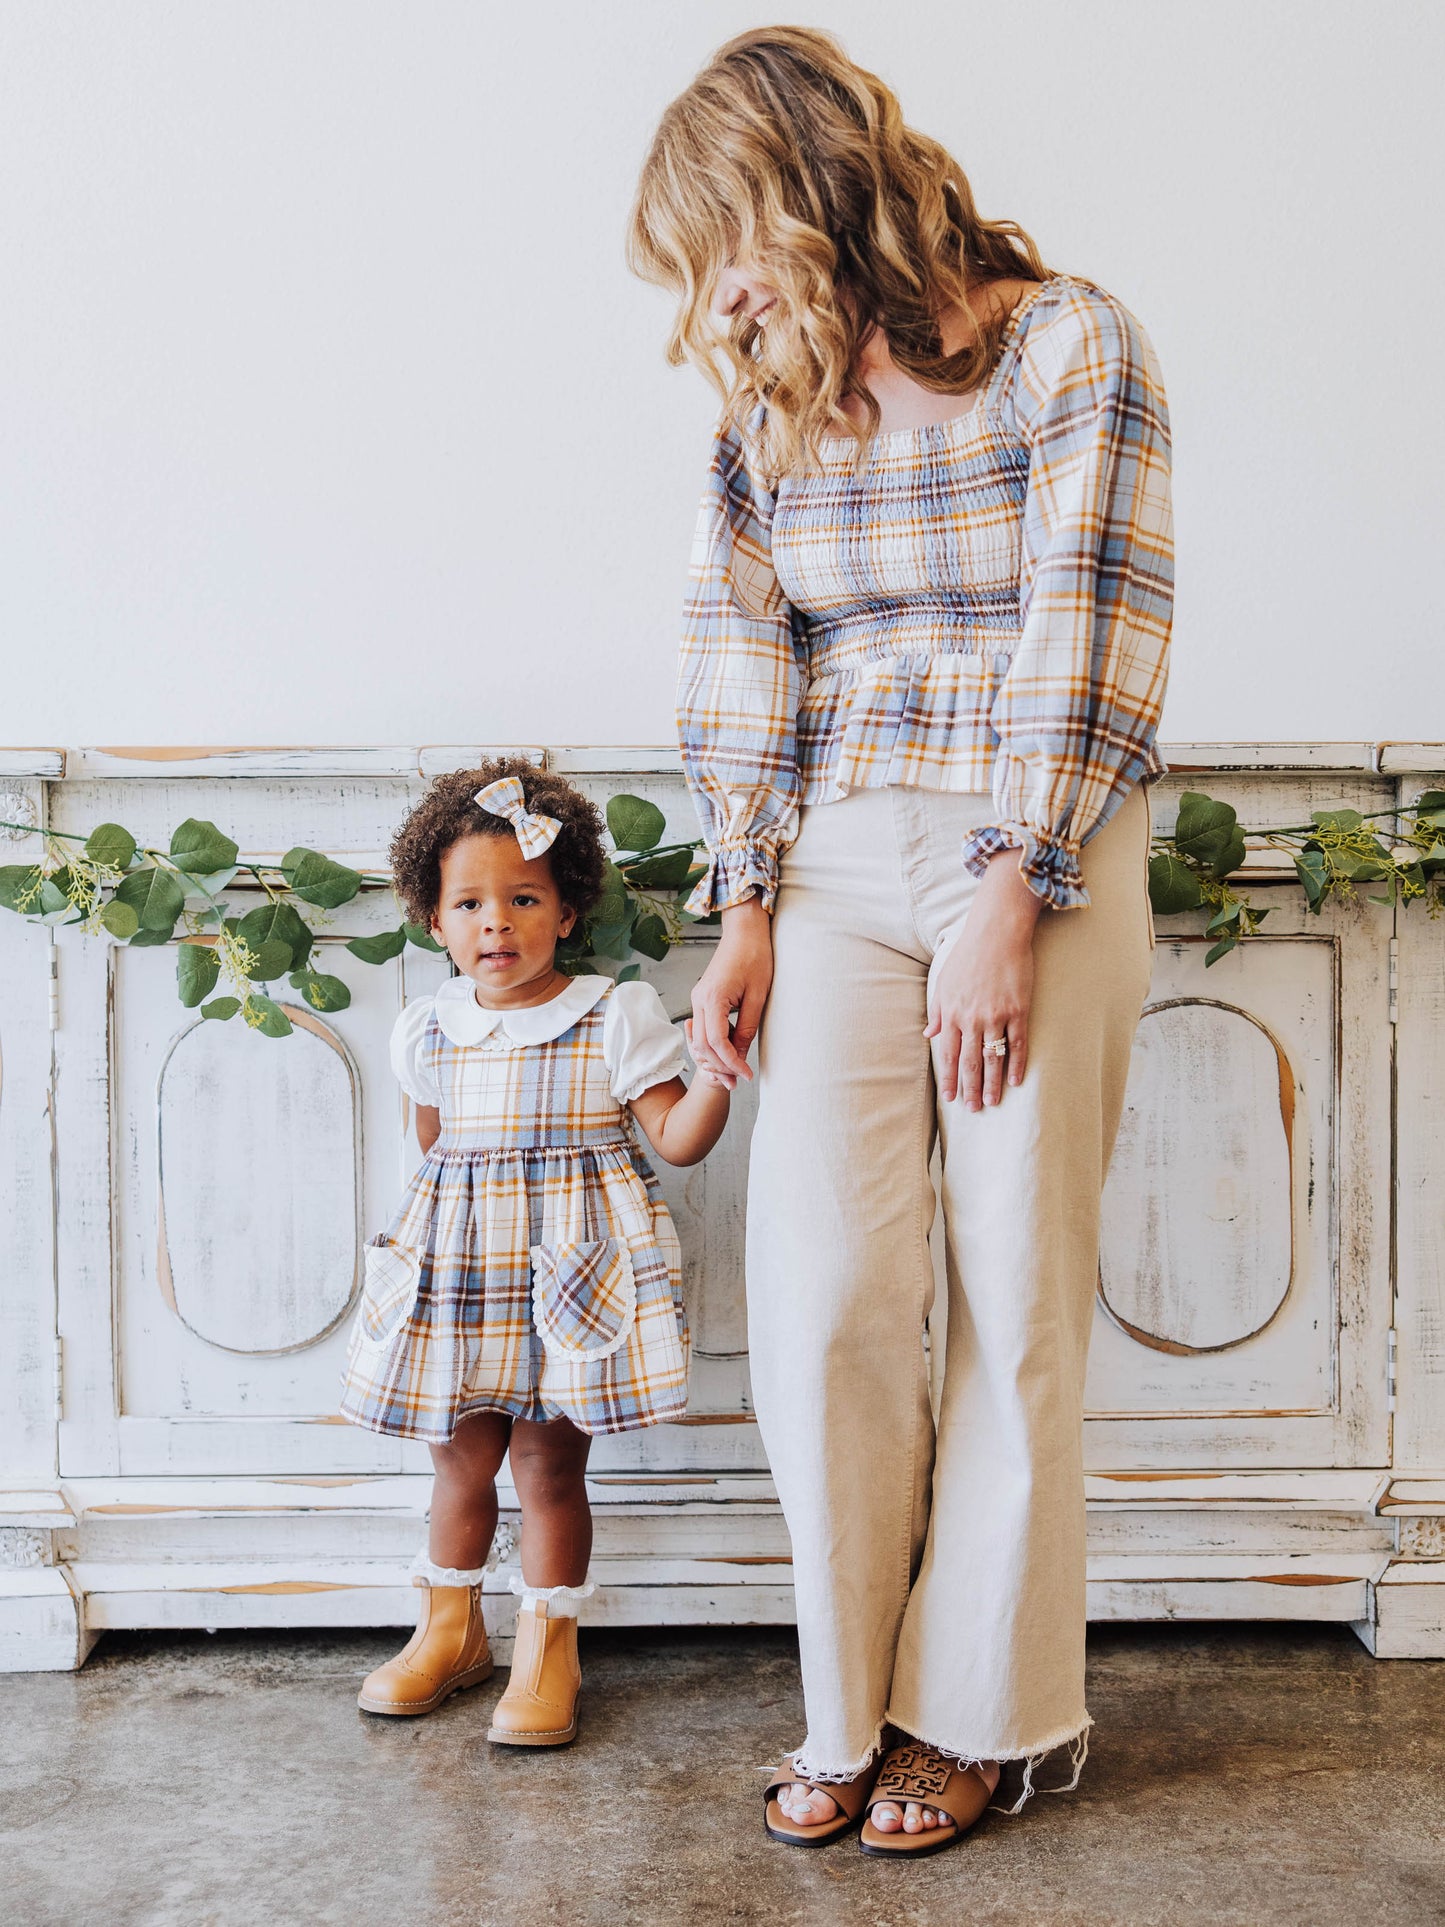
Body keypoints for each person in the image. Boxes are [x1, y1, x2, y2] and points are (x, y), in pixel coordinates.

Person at [628, 26, 1172, 1854]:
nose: (718, 287)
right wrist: (748, 900)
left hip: (1040, 853)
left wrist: (1016, 885)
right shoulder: (771, 403)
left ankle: (983, 1716)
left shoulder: (1066, 339)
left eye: (723, 235)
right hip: (834, 859)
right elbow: (742, 654)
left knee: (1014, 1298)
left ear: (807, 182)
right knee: (830, 1302)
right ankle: (846, 1706)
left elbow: (1090, 619)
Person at [339, 758, 729, 1743]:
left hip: (568, 1274)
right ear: (435, 921)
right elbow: (428, 1149)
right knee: (460, 1462)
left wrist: (722, 1071)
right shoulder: (428, 1027)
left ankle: (547, 1650)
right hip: (461, 1273)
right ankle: (450, 1630)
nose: (495, 923)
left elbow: (674, 1138)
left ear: (566, 912)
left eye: (522, 898)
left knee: (549, 1470)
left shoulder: (610, 1014)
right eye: (468, 902)